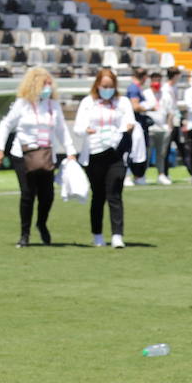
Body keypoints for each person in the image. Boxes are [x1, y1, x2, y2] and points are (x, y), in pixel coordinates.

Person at [0, 66, 74, 248]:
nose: (48, 87)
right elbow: (6, 125)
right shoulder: (22, 104)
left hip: (46, 155)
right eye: (44, 84)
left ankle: (42, 222)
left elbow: (61, 129)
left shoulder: (53, 106)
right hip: (23, 155)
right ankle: (25, 234)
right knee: (28, 194)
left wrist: (70, 150)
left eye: (49, 84)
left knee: (48, 195)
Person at [74, 68, 136, 249]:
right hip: (94, 153)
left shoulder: (122, 102)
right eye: (104, 86)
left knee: (115, 193)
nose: (107, 89)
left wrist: (126, 128)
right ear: (97, 85)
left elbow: (129, 121)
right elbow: (78, 128)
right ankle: (97, 234)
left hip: (115, 153)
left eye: (110, 86)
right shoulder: (88, 103)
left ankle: (117, 234)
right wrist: (87, 130)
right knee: (98, 196)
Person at [146, 71, 174, 185]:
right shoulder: (145, 94)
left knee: (161, 154)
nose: (156, 82)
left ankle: (161, 174)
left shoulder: (166, 95)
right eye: (154, 80)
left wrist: (169, 127)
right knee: (147, 154)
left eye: (158, 80)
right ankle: (142, 174)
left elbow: (170, 112)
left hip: (162, 128)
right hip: (150, 129)